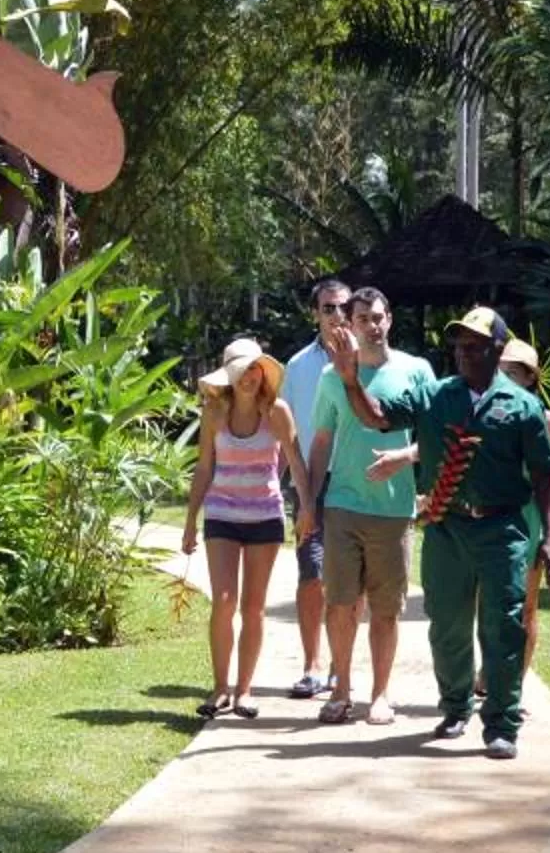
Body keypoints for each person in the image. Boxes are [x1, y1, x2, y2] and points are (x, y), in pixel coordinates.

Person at [327, 306, 550, 761]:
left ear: (497, 349)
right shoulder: (435, 396)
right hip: (447, 528)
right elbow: (377, 417)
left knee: (503, 625)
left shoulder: (522, 406)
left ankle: (501, 724)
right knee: (448, 625)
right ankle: (455, 708)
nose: (464, 352)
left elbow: (543, 477)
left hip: (502, 529)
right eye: (459, 344)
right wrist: (351, 381)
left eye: (475, 345)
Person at [303, 286, 435, 725]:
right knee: (340, 603)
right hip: (342, 505)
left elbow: (437, 436)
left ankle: (380, 694)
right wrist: (309, 502)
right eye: (363, 319)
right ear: (351, 324)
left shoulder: (417, 371)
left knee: (385, 609)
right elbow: (321, 443)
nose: (372, 326)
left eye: (378, 317)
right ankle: (341, 689)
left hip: (395, 511)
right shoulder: (332, 377)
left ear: (389, 319)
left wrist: (406, 459)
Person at [180, 337, 312, 720]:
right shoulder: (214, 412)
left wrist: (306, 508)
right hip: (221, 513)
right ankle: (220, 688)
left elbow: (295, 461)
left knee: (253, 607)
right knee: (224, 602)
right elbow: (204, 467)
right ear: (228, 376)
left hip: (264, 516)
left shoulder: (277, 412)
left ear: (262, 373)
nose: (249, 377)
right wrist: (190, 521)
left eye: (254, 368)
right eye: (241, 370)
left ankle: (244, 690)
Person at [279, 278, 352, 700]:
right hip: (310, 483)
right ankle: (312, 666)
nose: (337, 315)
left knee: (353, 581)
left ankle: (343, 668)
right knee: (311, 573)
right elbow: (285, 431)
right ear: (316, 314)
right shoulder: (298, 366)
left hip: (357, 481)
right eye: (328, 308)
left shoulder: (367, 359)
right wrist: (279, 484)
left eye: (343, 307)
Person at [508, 343, 550, 680]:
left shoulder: (549, 421)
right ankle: (490, 672)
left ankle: (516, 681)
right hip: (493, 518)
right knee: (489, 604)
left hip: (531, 519)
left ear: (530, 378)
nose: (504, 380)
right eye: (499, 372)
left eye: (512, 373)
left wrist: (538, 456)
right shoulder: (487, 416)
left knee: (527, 604)